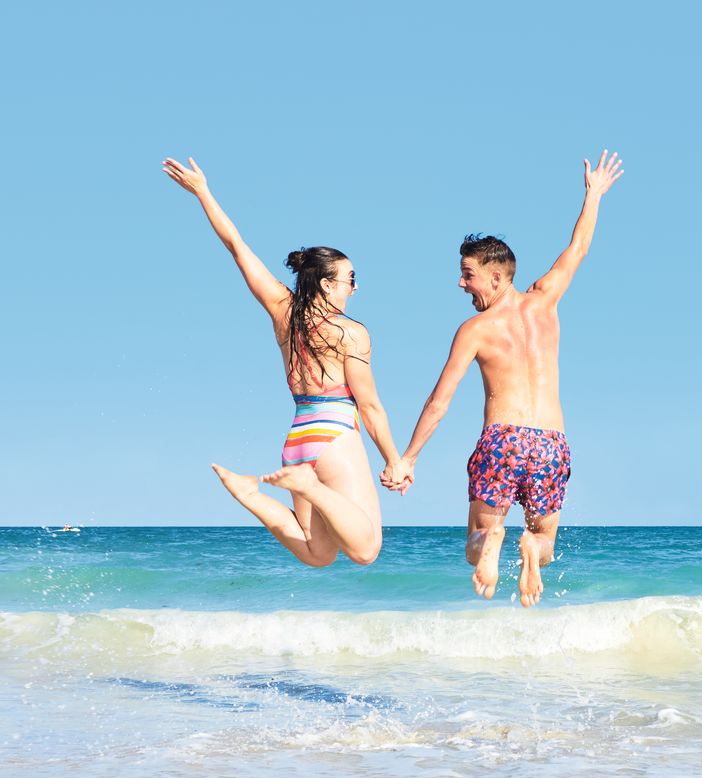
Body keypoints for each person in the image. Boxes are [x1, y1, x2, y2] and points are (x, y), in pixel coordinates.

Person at [382, 150, 624, 606]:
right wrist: (594, 195)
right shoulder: (545, 301)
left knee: (478, 541)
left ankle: (492, 543)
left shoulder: (476, 330)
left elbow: (440, 401)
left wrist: (408, 458)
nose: (461, 284)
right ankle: (530, 550)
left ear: (496, 277)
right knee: (544, 543)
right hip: (552, 442)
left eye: (467, 275)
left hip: (503, 439)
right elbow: (579, 249)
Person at [163, 157, 404, 567]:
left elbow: (237, 248)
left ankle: (250, 492)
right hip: (335, 433)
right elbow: (370, 406)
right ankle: (307, 488)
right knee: (365, 550)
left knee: (318, 554)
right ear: (328, 284)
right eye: (350, 278)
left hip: (298, 437)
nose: (355, 285)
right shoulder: (350, 332)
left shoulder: (282, 311)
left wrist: (204, 193)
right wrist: (394, 459)